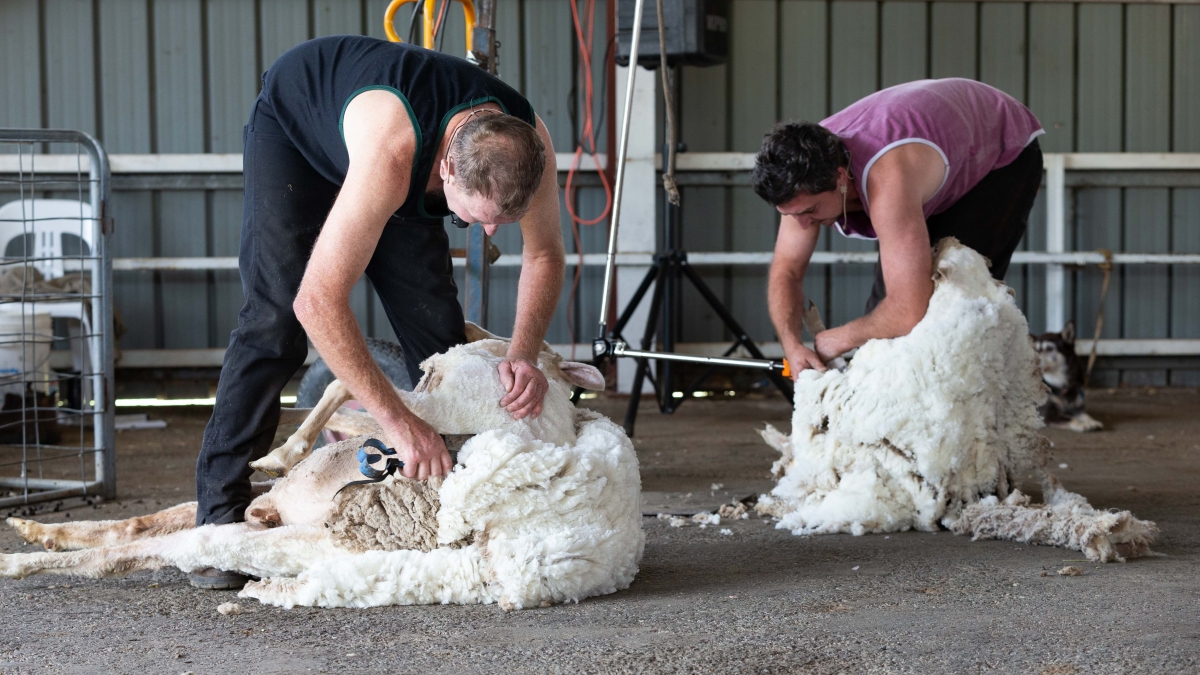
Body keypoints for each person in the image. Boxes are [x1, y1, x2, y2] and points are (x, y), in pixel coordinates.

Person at [191, 35, 565, 589]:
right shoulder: (395, 153)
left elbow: (545, 254)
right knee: (275, 322)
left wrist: (522, 356)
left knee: (441, 347)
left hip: (402, 161)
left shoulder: (529, 143)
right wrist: (399, 422)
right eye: (475, 216)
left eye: (496, 222)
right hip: (297, 130)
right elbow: (316, 301)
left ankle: (446, 504)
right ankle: (218, 523)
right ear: (448, 171)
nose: (488, 233)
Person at [752, 78, 1044, 375]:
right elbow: (787, 270)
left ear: (840, 177)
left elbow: (907, 310)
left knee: (956, 308)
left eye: (810, 211)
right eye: (791, 215)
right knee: (883, 319)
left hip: (997, 151)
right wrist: (792, 345)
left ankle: (965, 414)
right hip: (929, 147)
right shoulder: (800, 178)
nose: (802, 224)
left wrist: (839, 338)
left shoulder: (886, 179)